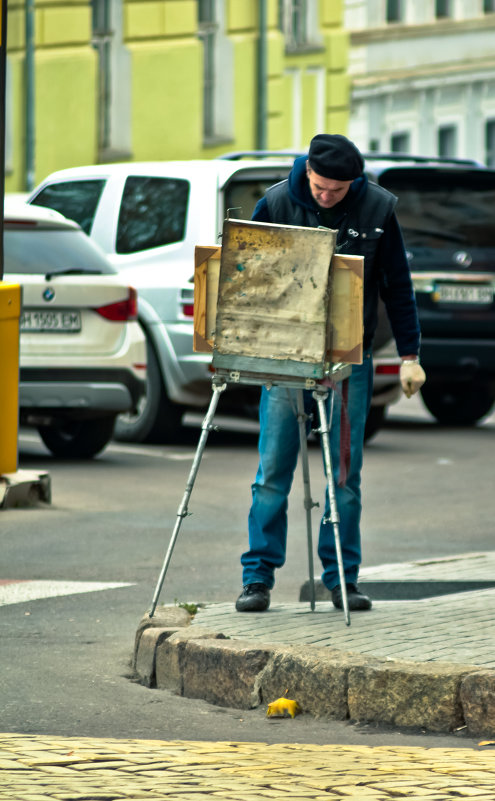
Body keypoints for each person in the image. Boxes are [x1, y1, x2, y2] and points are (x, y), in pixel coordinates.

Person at [235, 133, 425, 614]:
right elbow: (247, 278)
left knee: (343, 475)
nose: (325, 196)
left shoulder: (377, 209)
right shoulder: (277, 201)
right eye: (319, 187)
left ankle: (342, 578)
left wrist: (410, 354)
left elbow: (397, 286)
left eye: (336, 191)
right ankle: (257, 579)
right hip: (285, 354)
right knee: (273, 470)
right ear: (308, 173)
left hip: (346, 357)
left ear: (353, 181)